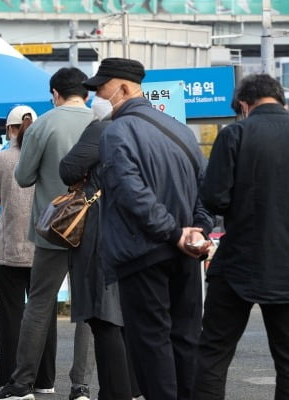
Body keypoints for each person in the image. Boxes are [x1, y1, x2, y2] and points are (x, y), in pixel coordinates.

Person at [83, 57, 213, 400]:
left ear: (124, 87)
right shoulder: (181, 131)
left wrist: (173, 232)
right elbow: (207, 190)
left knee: (150, 342)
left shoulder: (116, 132)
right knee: (186, 337)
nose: (96, 96)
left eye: (101, 88)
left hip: (141, 252)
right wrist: (195, 230)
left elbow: (129, 191)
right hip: (186, 254)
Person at [0, 67, 95, 400]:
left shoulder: (43, 126)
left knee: (38, 304)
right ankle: (80, 386)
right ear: (87, 91)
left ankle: (22, 383)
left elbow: (23, 177)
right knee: (88, 308)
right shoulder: (101, 123)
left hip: (53, 229)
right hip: (93, 227)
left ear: (54, 94)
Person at [193, 74, 289, 400]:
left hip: (239, 263)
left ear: (245, 105)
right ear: (281, 100)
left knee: (213, 355)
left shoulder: (236, 134)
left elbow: (214, 199)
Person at [59, 99, 138, 400]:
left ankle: (115, 391)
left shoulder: (101, 129)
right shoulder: (143, 128)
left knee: (103, 316)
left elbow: (68, 169)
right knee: (125, 314)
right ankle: (130, 385)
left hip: (102, 228)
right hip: (135, 228)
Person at [0, 105, 63, 392]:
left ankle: (11, 378)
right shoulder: (53, 159)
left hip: (11, 247)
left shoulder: (1, 159)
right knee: (45, 314)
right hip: (47, 246)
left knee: (11, 315)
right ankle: (45, 380)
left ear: (9, 129)